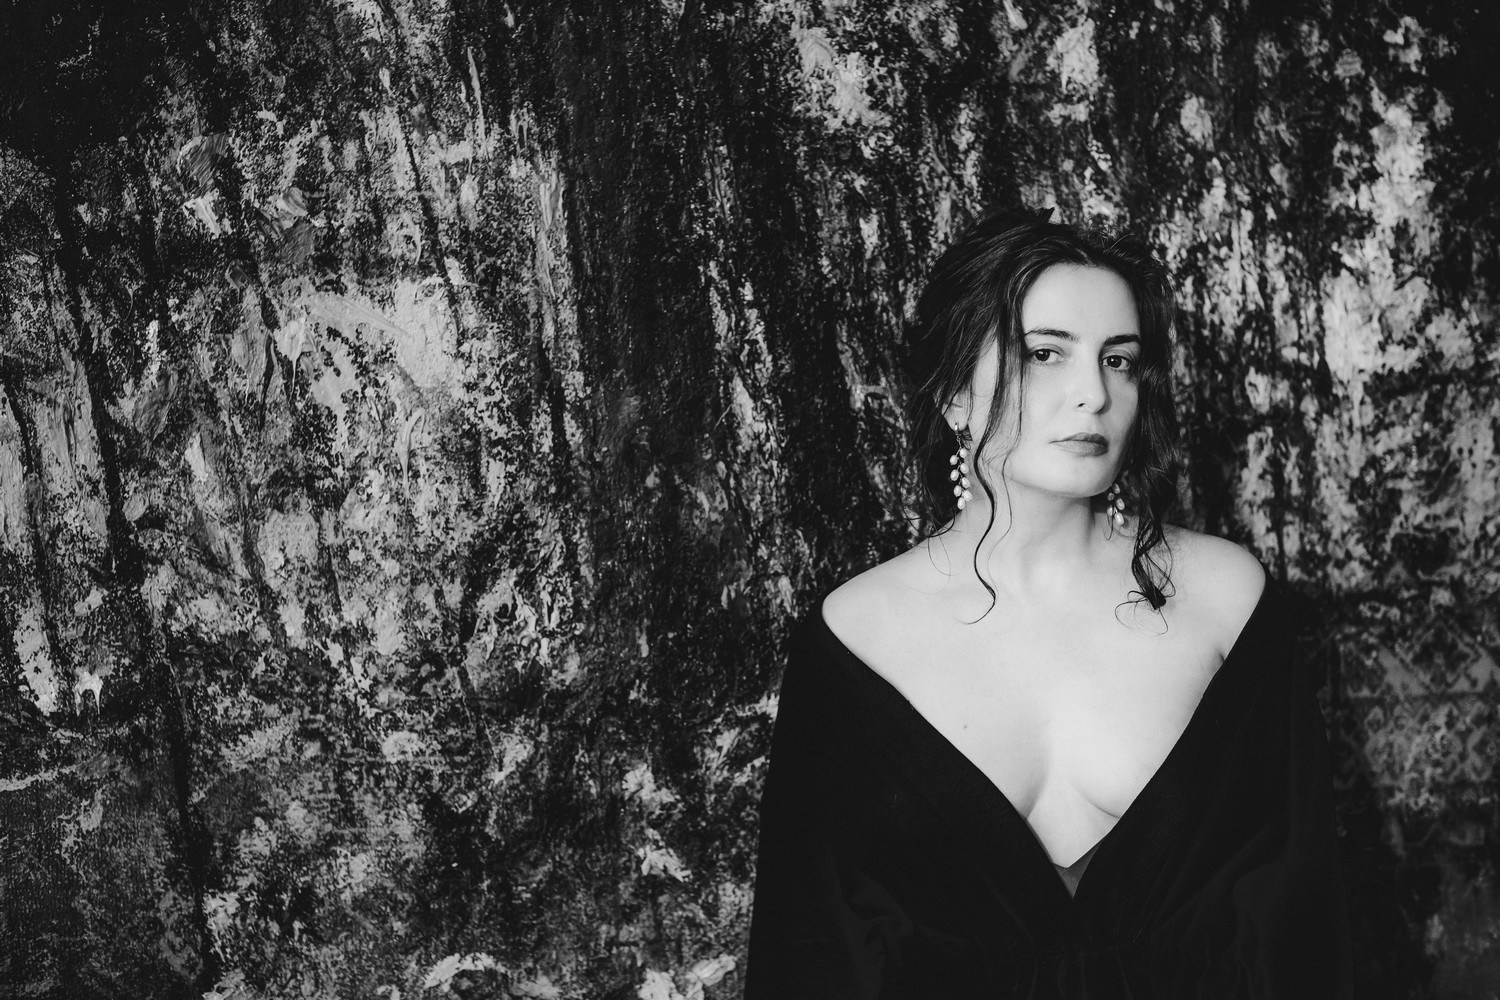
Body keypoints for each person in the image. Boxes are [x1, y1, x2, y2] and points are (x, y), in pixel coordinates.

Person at [743, 209, 1353, 998]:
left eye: (1120, 361)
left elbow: (1305, 934)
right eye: (1044, 354)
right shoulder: (854, 639)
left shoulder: (1228, 602)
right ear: (954, 394)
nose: (1094, 395)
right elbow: (810, 959)